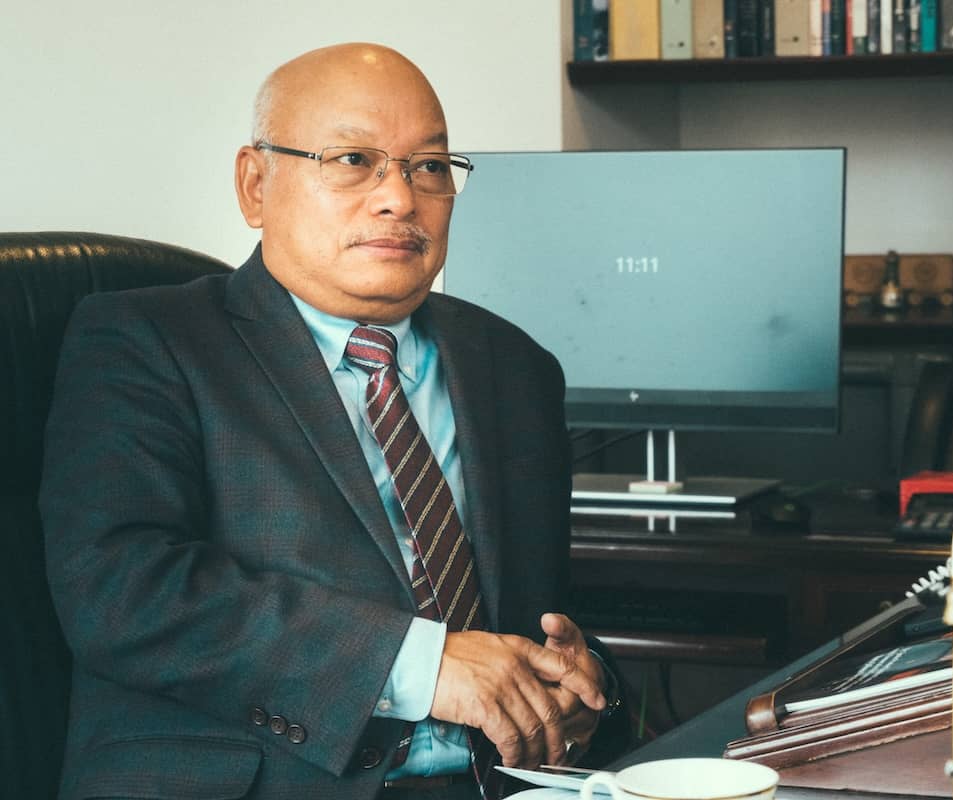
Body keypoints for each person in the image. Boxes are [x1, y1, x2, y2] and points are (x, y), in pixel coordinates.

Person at [40, 43, 625, 800]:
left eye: (431, 167)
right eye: (354, 159)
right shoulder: (144, 340)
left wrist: (582, 683)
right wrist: (420, 665)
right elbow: (120, 590)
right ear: (256, 184)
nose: (399, 199)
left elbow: (539, 613)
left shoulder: (514, 365)